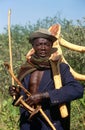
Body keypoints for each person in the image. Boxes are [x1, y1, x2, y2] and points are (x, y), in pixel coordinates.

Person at [9, 28, 84, 130]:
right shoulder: (26, 69)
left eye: (47, 44)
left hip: (51, 124)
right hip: (28, 125)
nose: (43, 48)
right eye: (39, 44)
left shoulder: (61, 68)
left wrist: (45, 96)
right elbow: (23, 98)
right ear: (33, 46)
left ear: (51, 46)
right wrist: (16, 94)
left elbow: (77, 90)